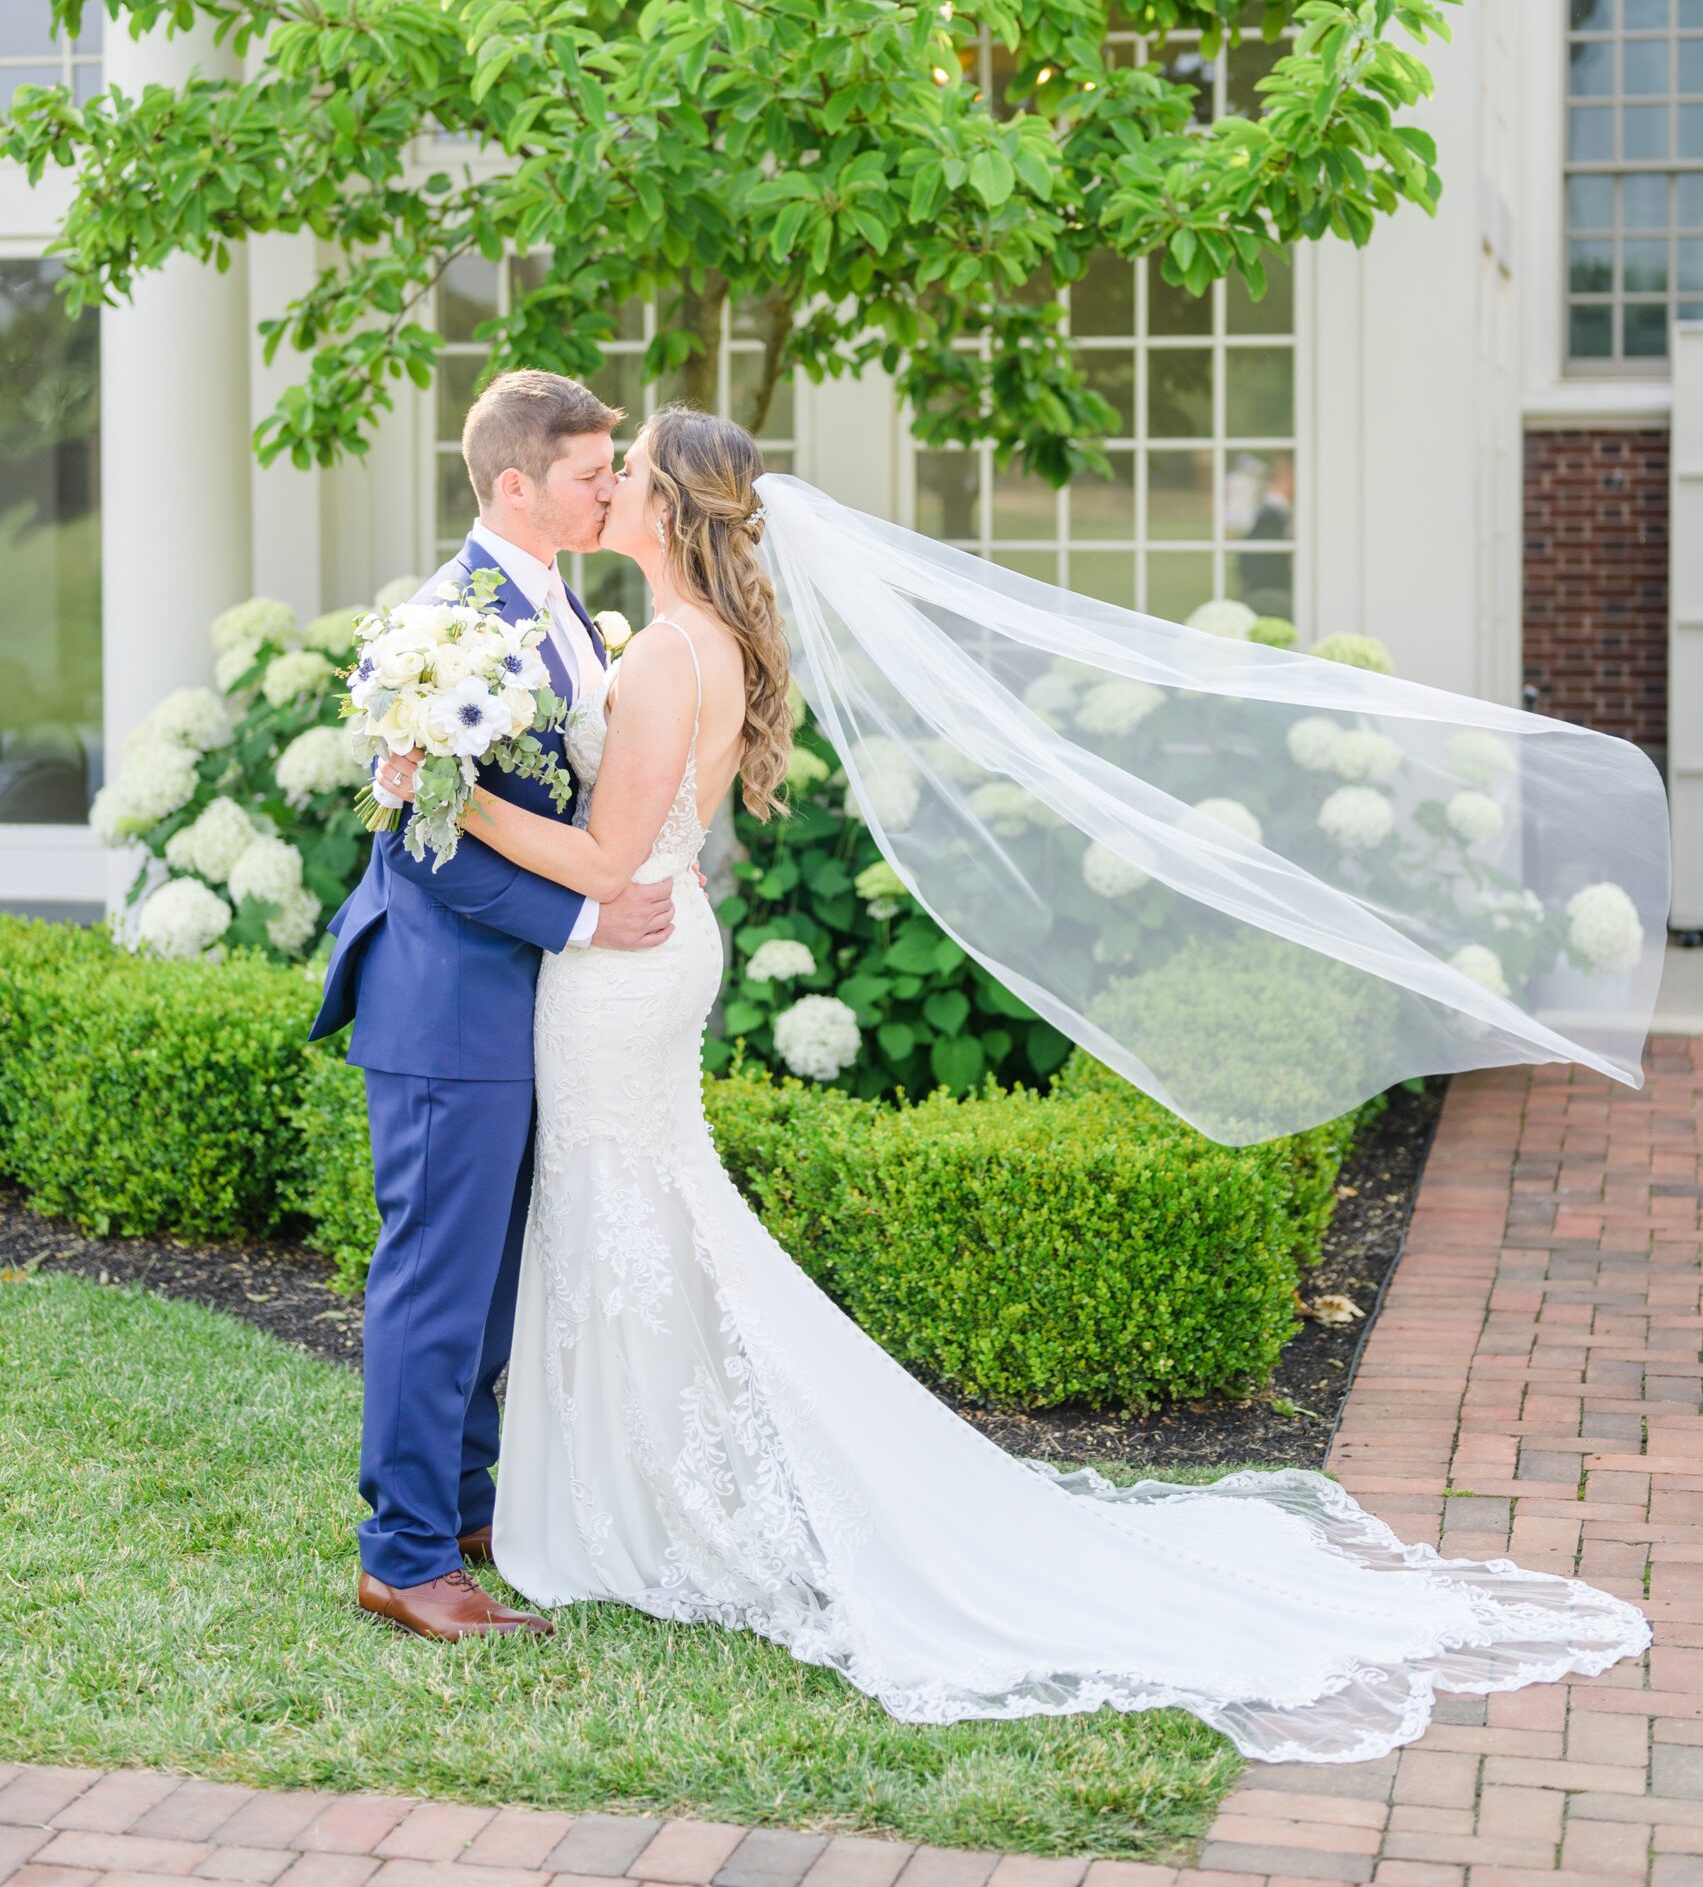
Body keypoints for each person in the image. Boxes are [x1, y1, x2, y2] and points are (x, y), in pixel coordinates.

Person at [374, 399, 1652, 1760]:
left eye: (621, 472)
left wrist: (429, 786)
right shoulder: (702, 639)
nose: (605, 484)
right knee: (645, 1222)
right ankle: (579, 1487)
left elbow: (603, 856)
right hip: (650, 957)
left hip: (618, 964)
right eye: (594, 468)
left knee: (634, 1217)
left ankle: (627, 1498)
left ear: (667, 510)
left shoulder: (652, 661)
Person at [310, 372, 679, 1642]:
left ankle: (465, 1512)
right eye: (592, 471)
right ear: (514, 483)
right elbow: (428, 837)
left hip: (528, 1011)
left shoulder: (563, 601)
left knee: (497, 1281)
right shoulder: (445, 624)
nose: (612, 484)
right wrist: (587, 917)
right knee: (435, 1282)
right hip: (445, 1008)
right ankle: (403, 1558)